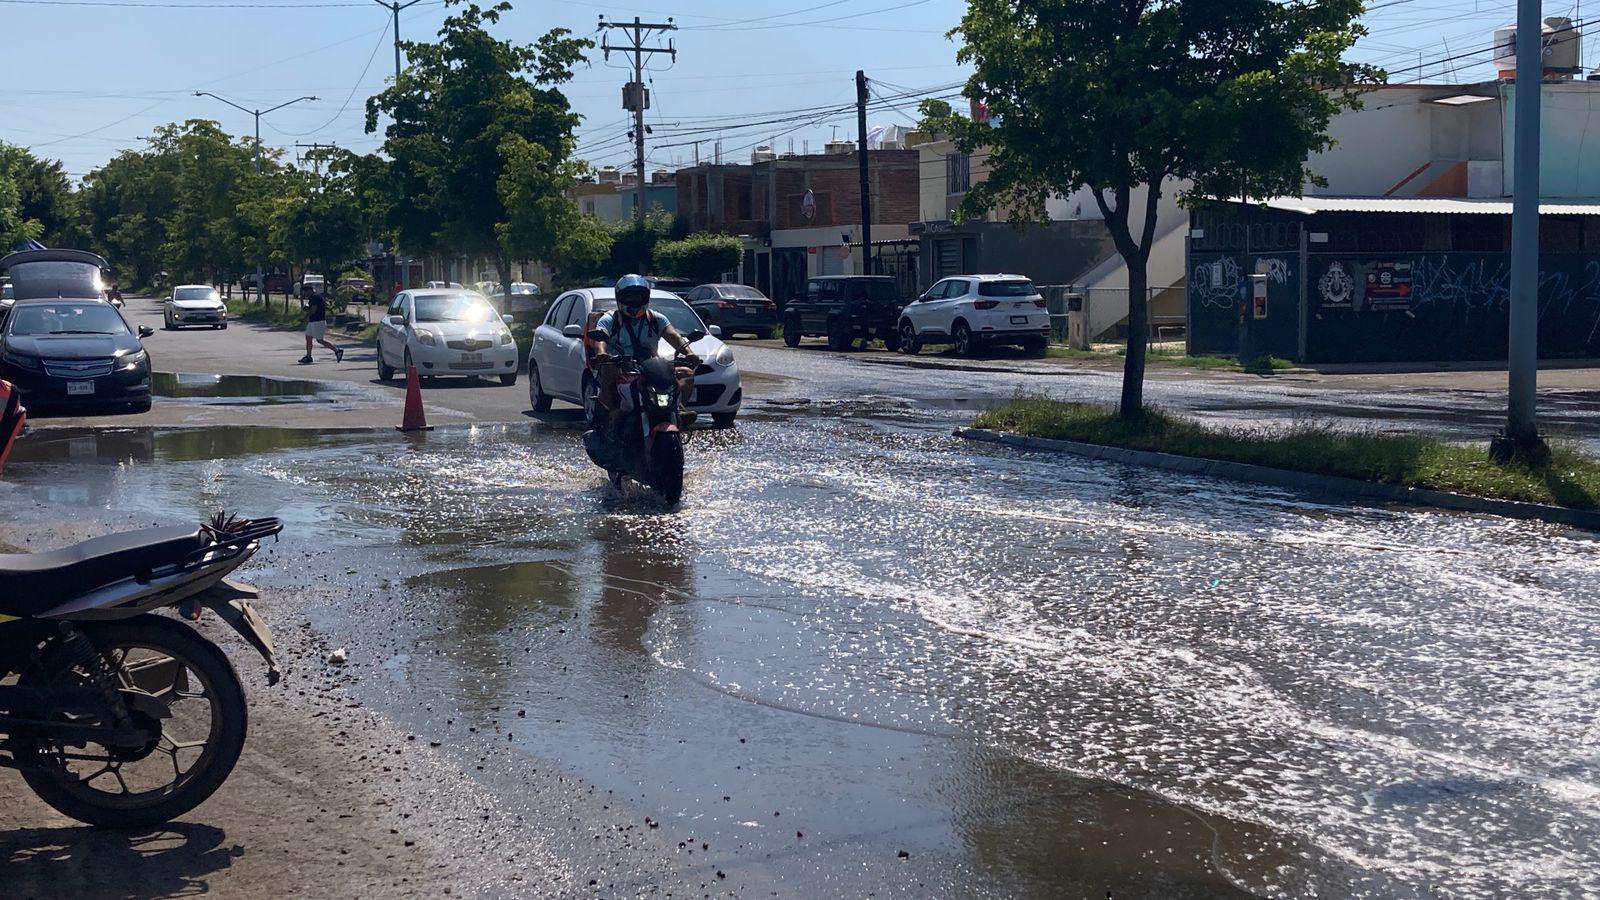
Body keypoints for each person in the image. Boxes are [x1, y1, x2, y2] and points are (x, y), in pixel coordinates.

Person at [592, 274, 698, 436]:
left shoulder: (656, 319)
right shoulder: (609, 320)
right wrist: (601, 353)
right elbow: (600, 338)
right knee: (609, 370)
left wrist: (689, 353)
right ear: (620, 298)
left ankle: (677, 409)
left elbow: (674, 337)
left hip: (651, 367)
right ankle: (614, 411)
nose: (635, 301)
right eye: (630, 297)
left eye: (638, 297)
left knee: (686, 373)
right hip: (621, 366)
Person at [299, 291, 343, 364]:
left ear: (308, 291)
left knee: (320, 340)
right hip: (312, 321)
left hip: (318, 322)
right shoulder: (313, 297)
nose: (305, 295)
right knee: (308, 337)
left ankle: (337, 351)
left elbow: (313, 310)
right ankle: (308, 356)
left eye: (305, 293)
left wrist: (305, 318)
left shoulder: (315, 297)